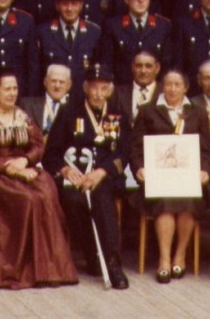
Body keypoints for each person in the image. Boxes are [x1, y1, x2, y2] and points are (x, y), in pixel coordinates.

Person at [0, 67, 78, 289]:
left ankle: (49, 269)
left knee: (47, 191)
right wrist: (12, 169)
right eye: (7, 89)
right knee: (28, 199)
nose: (12, 93)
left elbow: (38, 145)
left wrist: (26, 161)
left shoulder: (23, 116)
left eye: (15, 88)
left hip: (22, 167)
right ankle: (20, 268)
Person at [43, 64, 130, 289]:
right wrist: (65, 170)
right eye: (94, 88)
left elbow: (124, 152)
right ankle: (92, 254)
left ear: (110, 90)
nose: (99, 94)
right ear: (85, 88)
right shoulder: (70, 112)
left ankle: (112, 262)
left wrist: (102, 172)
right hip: (77, 175)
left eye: (104, 88)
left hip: (106, 176)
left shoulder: (118, 113)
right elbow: (51, 153)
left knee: (101, 196)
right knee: (73, 199)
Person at [130, 69, 210, 283]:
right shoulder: (148, 111)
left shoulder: (198, 112)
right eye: (168, 84)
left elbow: (206, 150)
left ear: (185, 87)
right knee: (165, 200)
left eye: (177, 85)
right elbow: (136, 147)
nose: (172, 89)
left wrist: (205, 170)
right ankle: (164, 260)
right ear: (162, 86)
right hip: (157, 179)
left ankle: (180, 254)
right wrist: (139, 168)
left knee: (188, 199)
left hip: (187, 178)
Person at [101, 0, 173, 88]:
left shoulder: (163, 26)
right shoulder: (113, 26)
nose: (141, 0)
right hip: (123, 93)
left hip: (155, 93)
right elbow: (108, 66)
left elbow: (167, 66)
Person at [37, 0, 101, 98]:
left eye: (74, 4)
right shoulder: (43, 32)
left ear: (81, 5)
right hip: (52, 99)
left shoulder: (94, 32)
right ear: (57, 5)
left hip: (82, 99)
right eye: (65, 4)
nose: (70, 9)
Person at [19, 64, 72, 136]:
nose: (57, 86)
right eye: (53, 81)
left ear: (69, 85)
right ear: (45, 82)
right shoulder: (27, 105)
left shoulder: (76, 108)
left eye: (61, 82)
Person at [111, 51, 162, 126]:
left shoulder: (165, 93)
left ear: (157, 68)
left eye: (148, 66)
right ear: (132, 67)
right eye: (139, 66)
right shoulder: (117, 93)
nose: (143, 71)